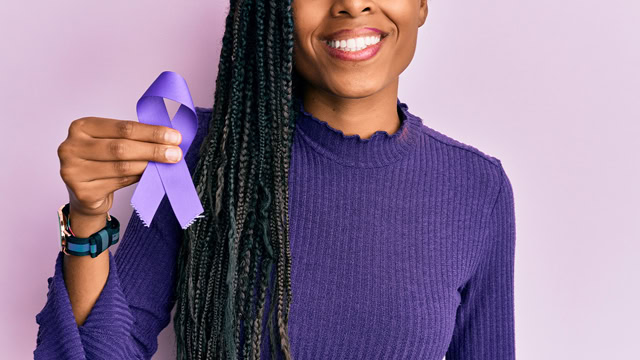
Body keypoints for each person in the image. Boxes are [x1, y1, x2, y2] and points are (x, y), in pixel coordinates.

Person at [34, 0, 517, 359]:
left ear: (420, 4)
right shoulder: (203, 159)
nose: (352, 3)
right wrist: (87, 219)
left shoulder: (477, 189)